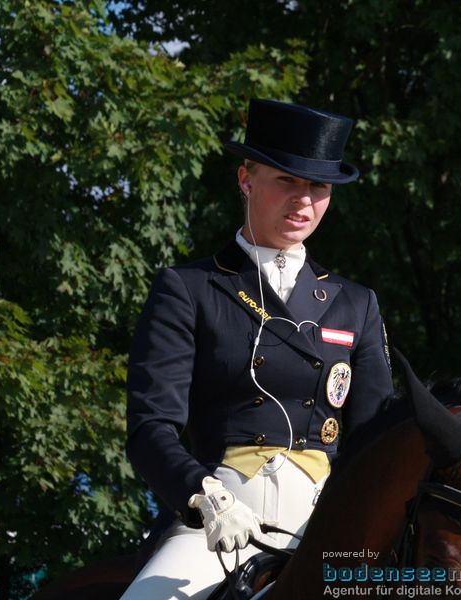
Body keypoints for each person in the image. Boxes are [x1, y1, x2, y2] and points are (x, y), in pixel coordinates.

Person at [120, 99, 394, 600]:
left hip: (329, 530)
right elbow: (149, 428)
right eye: (286, 181)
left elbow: (375, 441)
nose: (303, 201)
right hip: (218, 524)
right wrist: (203, 497)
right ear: (246, 178)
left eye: (318, 187)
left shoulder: (357, 304)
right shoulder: (189, 288)